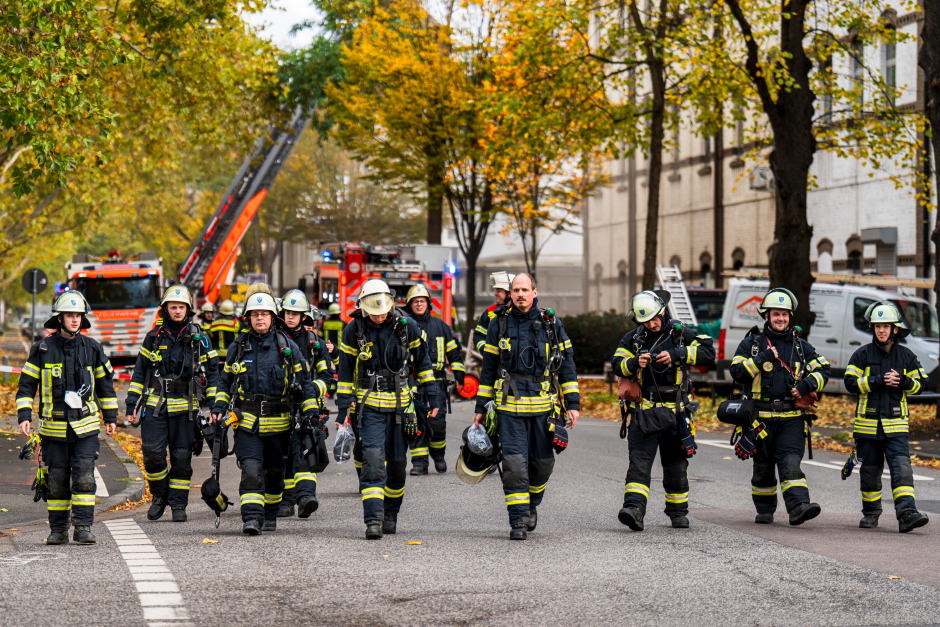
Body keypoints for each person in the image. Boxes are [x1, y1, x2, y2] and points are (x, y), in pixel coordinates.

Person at [473, 273, 580, 540]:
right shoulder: (498, 324)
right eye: (515, 290)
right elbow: (488, 369)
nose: (520, 294)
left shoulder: (551, 324)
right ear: (510, 294)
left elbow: (566, 364)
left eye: (525, 289)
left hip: (543, 408)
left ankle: (532, 502)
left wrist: (573, 403)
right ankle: (518, 520)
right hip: (509, 408)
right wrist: (480, 407)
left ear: (535, 292)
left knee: (543, 464)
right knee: (514, 465)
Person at [211, 292, 327, 535]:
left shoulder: (287, 346)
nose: (259, 318)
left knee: (275, 473)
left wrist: (311, 416)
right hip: (247, 423)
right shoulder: (239, 347)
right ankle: (251, 517)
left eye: (264, 314)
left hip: (280, 425)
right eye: (255, 314)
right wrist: (218, 409)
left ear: (273, 317)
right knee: (251, 470)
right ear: (248, 318)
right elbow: (224, 383)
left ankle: (271, 513)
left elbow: (305, 385)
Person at [335, 279, 438, 539]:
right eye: (373, 309)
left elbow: (423, 362)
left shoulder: (407, 327)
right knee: (371, 459)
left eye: (382, 309)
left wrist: (433, 396)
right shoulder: (353, 330)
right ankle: (373, 518)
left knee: (397, 464)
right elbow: (346, 372)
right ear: (363, 306)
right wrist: (341, 409)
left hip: (401, 407)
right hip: (369, 407)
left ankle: (391, 513)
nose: (379, 315)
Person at [16, 292, 119, 545]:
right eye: (70, 315)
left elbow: (106, 386)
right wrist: (24, 415)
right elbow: (27, 386)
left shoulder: (93, 348)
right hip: (54, 429)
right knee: (57, 481)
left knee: (84, 476)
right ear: (59, 318)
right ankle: (58, 530)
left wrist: (111, 417)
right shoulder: (41, 350)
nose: (75, 320)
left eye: (78, 315)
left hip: (85, 429)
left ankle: (83, 527)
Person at [611, 291, 715, 531]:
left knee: (676, 464)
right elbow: (617, 363)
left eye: (655, 318)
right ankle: (634, 510)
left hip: (676, 413)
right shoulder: (633, 338)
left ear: (663, 311)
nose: (652, 324)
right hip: (643, 412)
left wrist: (679, 354)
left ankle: (678, 512)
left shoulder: (680, 334)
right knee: (639, 463)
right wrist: (635, 362)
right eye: (646, 321)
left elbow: (709, 353)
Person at [730, 287, 830, 526]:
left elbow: (824, 369)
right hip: (759, 419)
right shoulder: (751, 344)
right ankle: (765, 510)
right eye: (776, 314)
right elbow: (736, 372)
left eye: (785, 314)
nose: (781, 318)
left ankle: (798, 507)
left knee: (789, 462)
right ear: (766, 316)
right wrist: (761, 359)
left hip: (791, 419)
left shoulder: (800, 347)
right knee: (763, 466)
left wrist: (806, 386)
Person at [126, 286, 221, 523]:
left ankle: (178, 504)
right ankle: (160, 496)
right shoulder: (154, 337)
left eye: (181, 307)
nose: (177, 311)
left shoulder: (201, 338)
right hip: (155, 406)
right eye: (173, 307)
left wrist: (213, 408)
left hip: (186, 409)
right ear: (165, 309)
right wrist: (131, 404)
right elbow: (139, 373)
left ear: (188, 309)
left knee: (181, 458)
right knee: (152, 454)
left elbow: (213, 374)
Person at [844, 301, 929, 533]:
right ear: (873, 329)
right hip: (867, 427)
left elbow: (922, 384)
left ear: (895, 329)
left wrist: (904, 382)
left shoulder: (906, 356)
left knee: (902, 469)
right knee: (870, 472)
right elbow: (850, 383)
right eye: (877, 326)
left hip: (896, 427)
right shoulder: (861, 355)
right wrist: (876, 381)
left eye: (886, 326)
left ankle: (907, 513)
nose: (881, 330)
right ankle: (871, 514)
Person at [277, 289, 336, 519]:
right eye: (287, 312)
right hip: (280, 407)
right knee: (283, 454)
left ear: (304, 316)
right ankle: (286, 500)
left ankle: (305, 498)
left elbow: (327, 377)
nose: (291, 316)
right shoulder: (273, 338)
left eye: (296, 313)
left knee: (306, 449)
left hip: (308, 408)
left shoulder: (314, 343)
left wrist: (309, 391)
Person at [403, 284, 465, 475]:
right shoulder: (404, 326)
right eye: (415, 301)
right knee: (414, 421)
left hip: (437, 383)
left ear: (428, 303)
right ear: (410, 305)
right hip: (412, 383)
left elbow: (454, 352)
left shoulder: (441, 326)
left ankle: (438, 455)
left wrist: (459, 374)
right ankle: (419, 463)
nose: (419, 304)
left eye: (422, 301)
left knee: (437, 423)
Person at [473, 271, 514, 356]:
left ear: (509, 293)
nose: (495, 293)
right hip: (495, 364)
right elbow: (478, 336)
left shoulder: (521, 312)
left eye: (499, 290)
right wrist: (485, 350)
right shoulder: (490, 312)